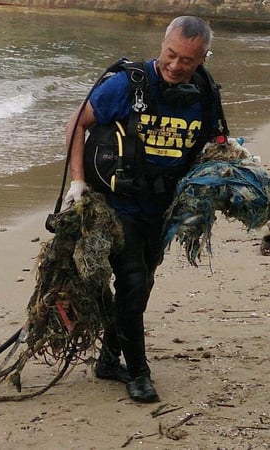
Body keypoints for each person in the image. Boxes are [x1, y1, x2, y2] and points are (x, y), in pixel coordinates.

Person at [63, 16, 223, 403]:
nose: (176, 65)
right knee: (133, 282)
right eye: (171, 54)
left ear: (202, 58)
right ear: (162, 45)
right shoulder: (125, 85)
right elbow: (75, 125)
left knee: (143, 284)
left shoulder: (204, 92)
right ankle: (138, 372)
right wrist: (78, 182)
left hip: (162, 207)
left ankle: (107, 359)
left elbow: (214, 141)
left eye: (187, 59)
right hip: (119, 203)